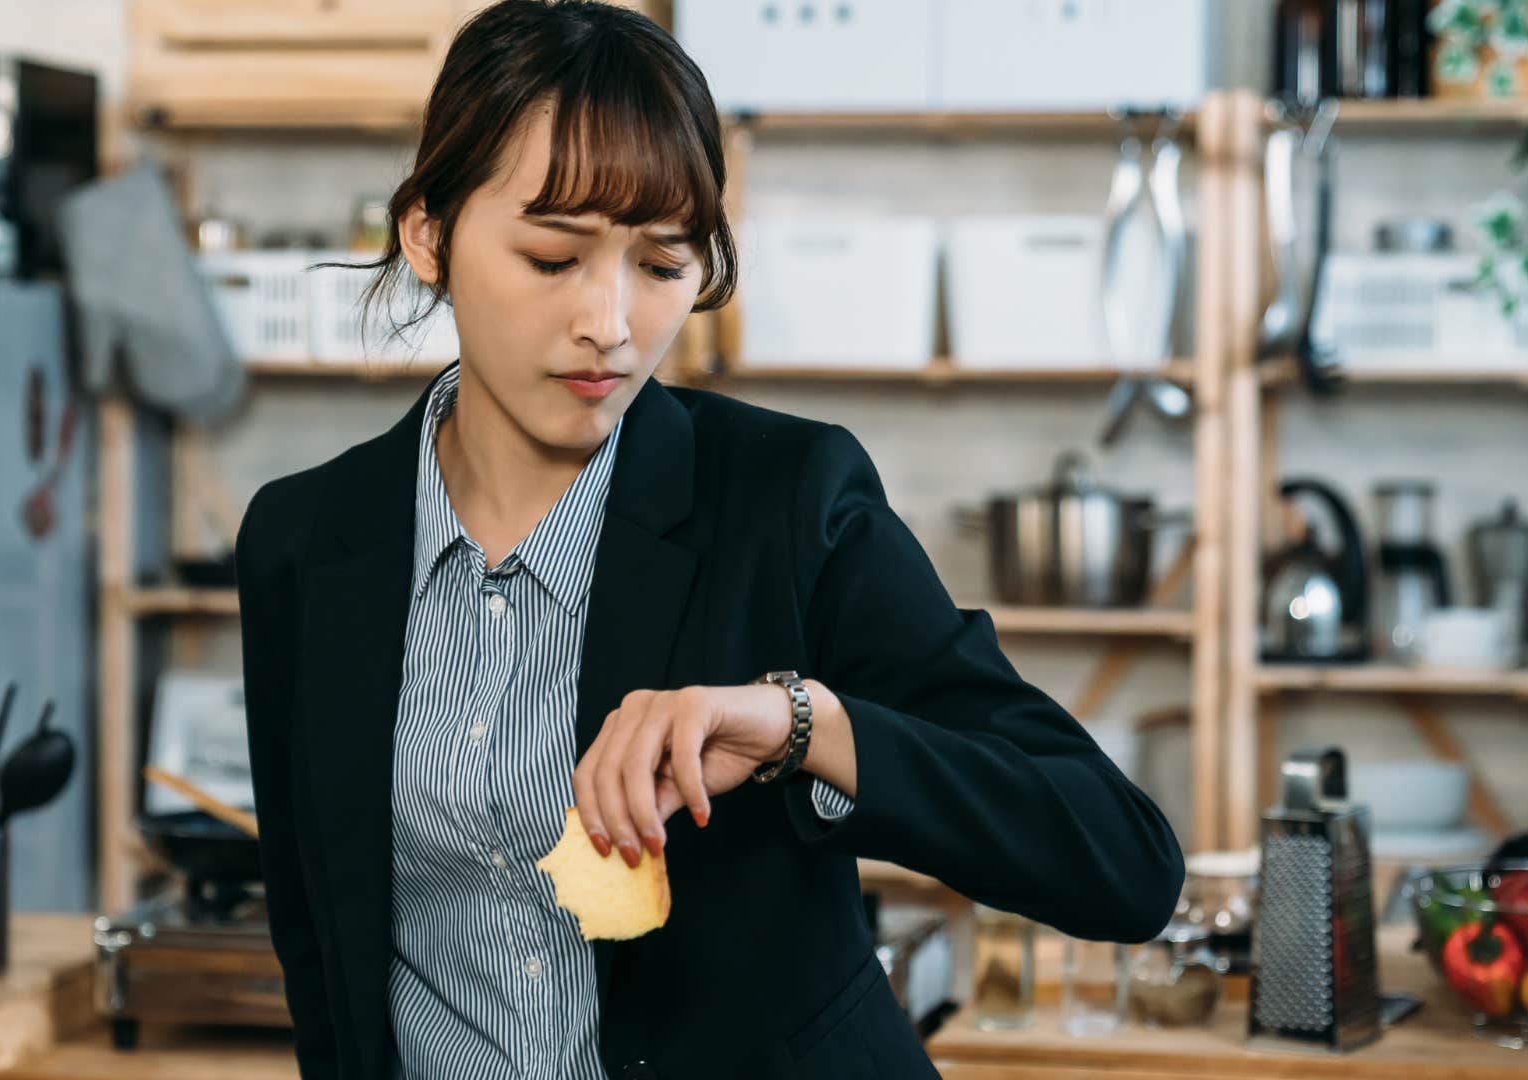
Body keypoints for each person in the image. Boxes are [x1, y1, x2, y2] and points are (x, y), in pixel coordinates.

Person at [234, 3, 1185, 1078]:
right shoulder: (303, 545)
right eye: (553, 258)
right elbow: (321, 946)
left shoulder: (789, 503)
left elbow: (1121, 862)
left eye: (662, 263)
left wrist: (802, 725)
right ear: (428, 236)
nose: (611, 321)